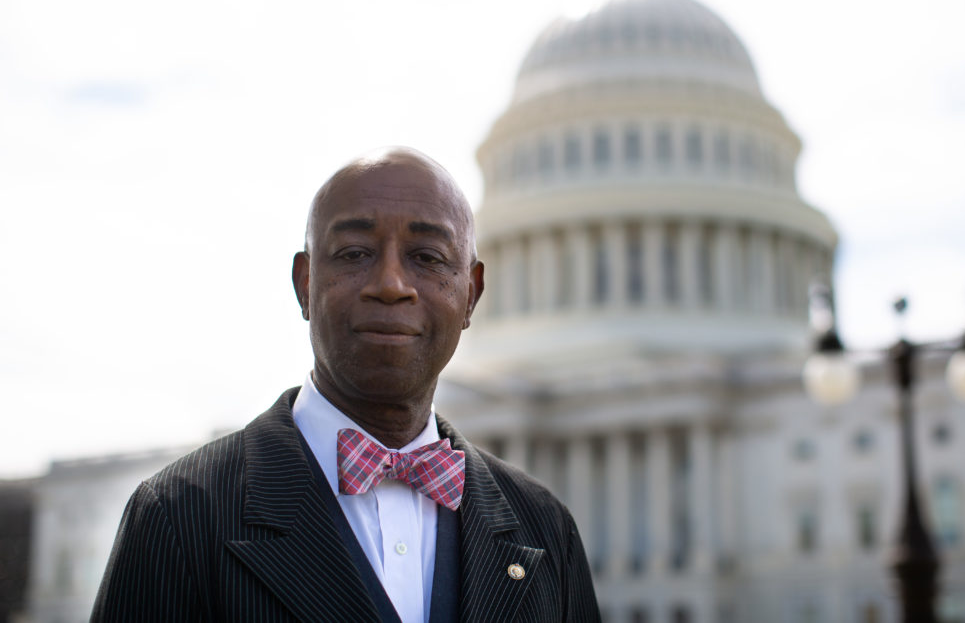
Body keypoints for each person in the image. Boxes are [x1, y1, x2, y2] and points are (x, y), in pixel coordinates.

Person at [92, 147, 600, 622]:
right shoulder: (180, 515)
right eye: (355, 253)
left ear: (471, 294)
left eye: (427, 257)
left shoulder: (546, 531)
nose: (391, 285)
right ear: (305, 284)